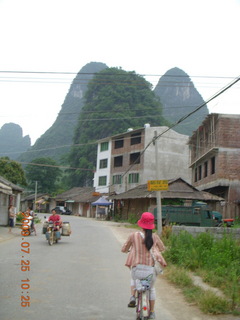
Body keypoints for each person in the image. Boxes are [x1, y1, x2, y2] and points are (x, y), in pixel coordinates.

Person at [121, 212, 167, 319]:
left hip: (137, 269)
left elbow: (124, 249)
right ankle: (151, 312)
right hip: (150, 271)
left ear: (141, 223)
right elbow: (162, 248)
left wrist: (129, 249)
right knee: (151, 289)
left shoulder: (133, 236)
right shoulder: (154, 237)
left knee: (133, 278)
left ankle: (132, 296)